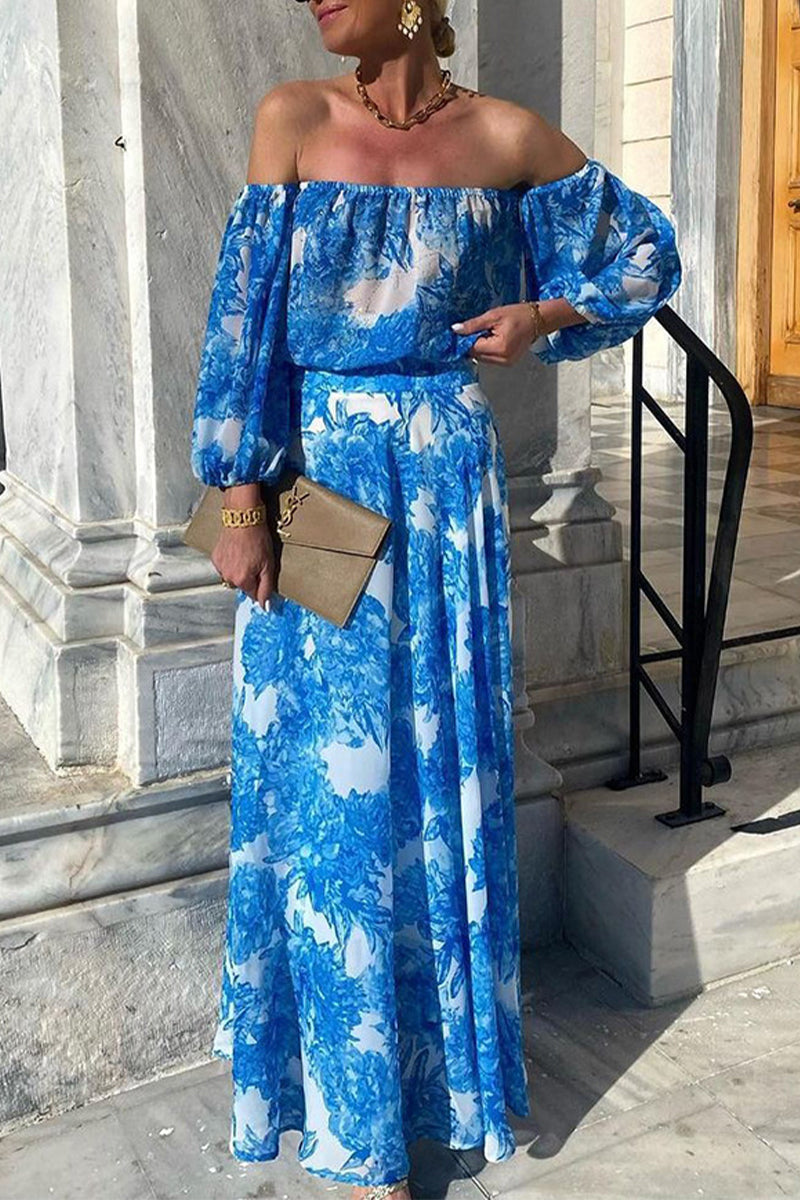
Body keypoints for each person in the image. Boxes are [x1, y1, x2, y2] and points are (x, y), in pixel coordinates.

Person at [189, 2, 682, 1197]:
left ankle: (442, 1091)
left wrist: (546, 315)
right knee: (330, 798)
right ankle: (352, 1129)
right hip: (321, 476)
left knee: (443, 777)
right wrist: (237, 490)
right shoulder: (292, 118)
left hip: (449, 481)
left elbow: (643, 254)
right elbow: (244, 319)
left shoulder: (505, 137)